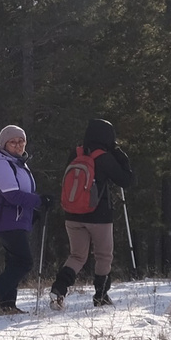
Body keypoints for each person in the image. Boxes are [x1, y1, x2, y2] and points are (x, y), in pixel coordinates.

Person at [49, 117, 133, 307]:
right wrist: (121, 157)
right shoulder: (103, 157)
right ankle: (101, 295)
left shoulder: (76, 153)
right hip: (99, 216)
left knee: (77, 256)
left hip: (72, 214)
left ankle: (59, 288)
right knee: (103, 255)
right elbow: (126, 180)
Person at [0, 126, 43, 313]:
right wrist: (39, 200)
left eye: (21, 141)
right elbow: (11, 194)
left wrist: (33, 209)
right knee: (24, 262)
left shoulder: (18, 163)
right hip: (6, 220)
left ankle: (7, 304)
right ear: (4, 144)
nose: (18, 145)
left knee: (14, 261)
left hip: (17, 219)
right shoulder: (1, 164)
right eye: (13, 142)